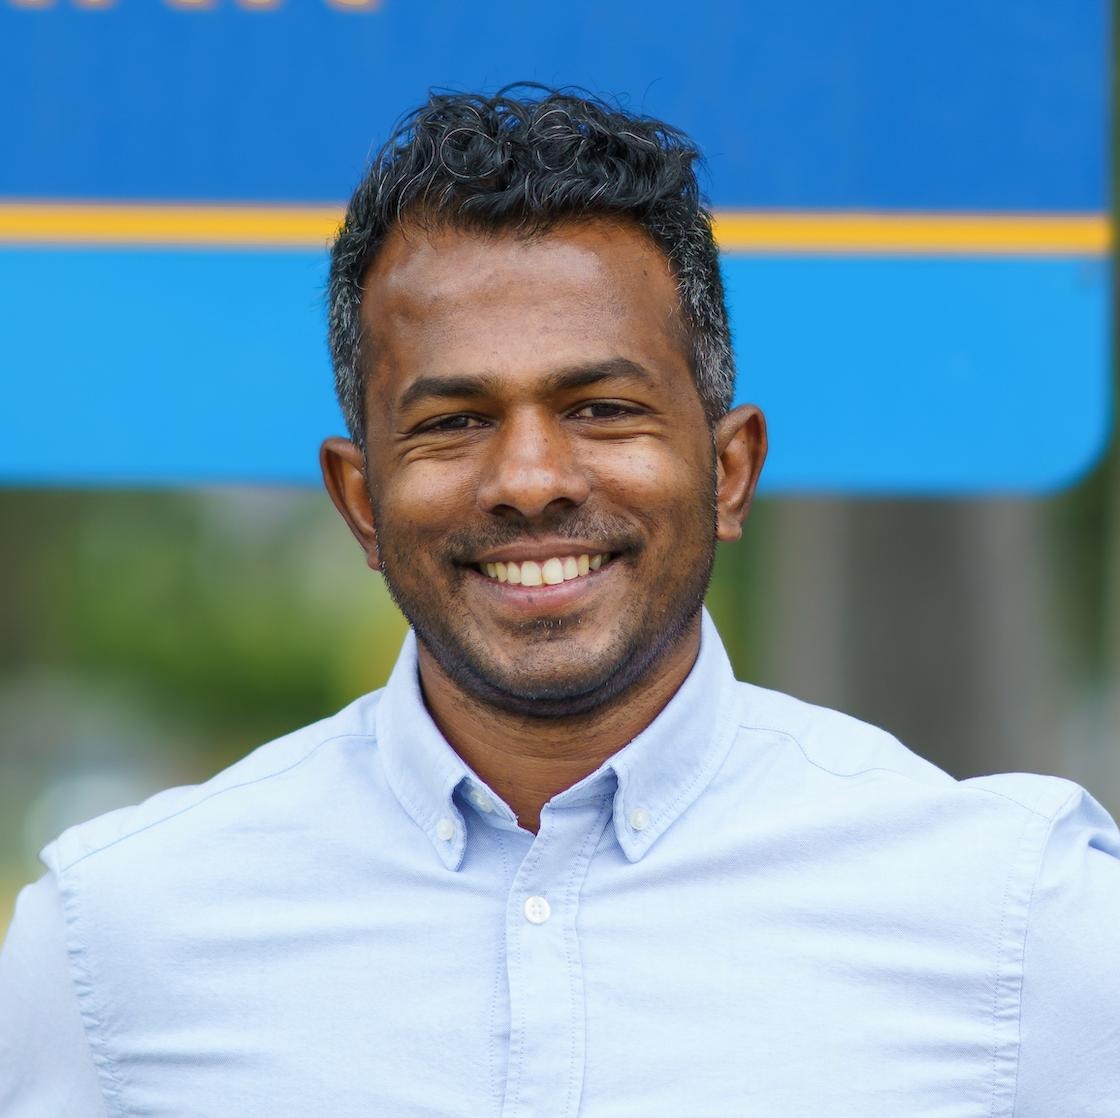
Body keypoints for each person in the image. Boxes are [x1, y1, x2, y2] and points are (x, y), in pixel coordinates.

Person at [1, 86, 1117, 1117]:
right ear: (360, 501)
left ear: (729, 469)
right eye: (452, 421)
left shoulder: (1020, 925)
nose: (531, 478)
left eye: (600, 408)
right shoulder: (113, 943)